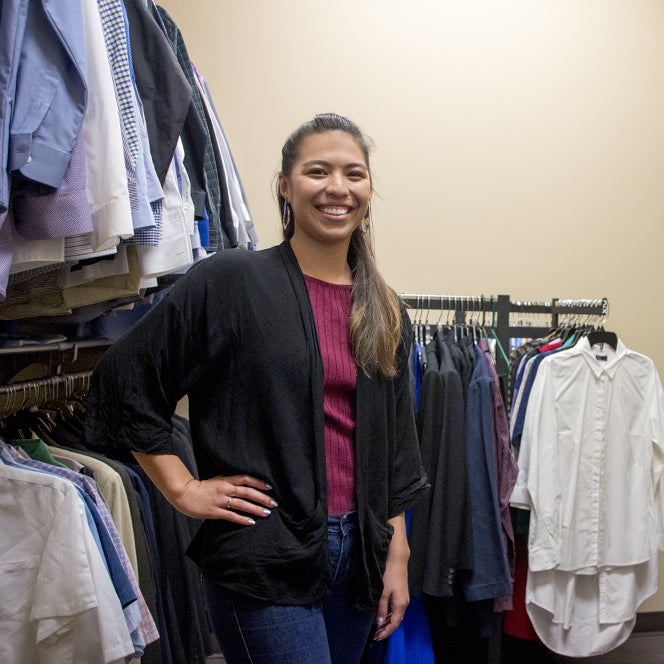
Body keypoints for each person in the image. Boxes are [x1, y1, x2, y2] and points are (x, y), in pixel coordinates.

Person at [85, 113, 428, 664]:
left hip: (359, 556)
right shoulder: (231, 281)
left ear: (368, 190)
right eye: (318, 171)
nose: (337, 188)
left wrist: (397, 552)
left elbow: (393, 448)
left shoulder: (384, 309)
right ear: (285, 186)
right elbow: (125, 380)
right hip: (263, 556)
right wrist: (182, 489)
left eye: (354, 174)